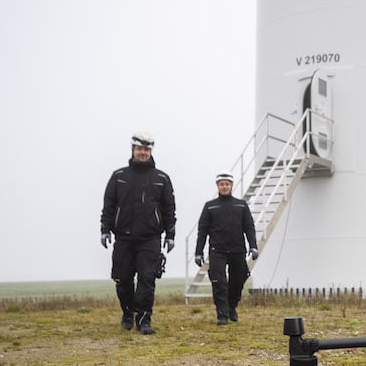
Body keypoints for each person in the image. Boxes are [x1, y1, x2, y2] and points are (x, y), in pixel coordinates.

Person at [100, 132, 176, 334]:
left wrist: (170, 234)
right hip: (123, 237)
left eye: (147, 149)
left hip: (150, 239)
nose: (143, 152)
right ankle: (127, 313)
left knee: (147, 279)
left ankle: (144, 320)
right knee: (122, 280)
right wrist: (105, 229)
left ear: (151, 151)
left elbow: (169, 209)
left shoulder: (161, 178)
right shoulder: (118, 176)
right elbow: (109, 205)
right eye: (139, 149)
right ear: (133, 150)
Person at [194, 172, 258, 324]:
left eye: (227, 184)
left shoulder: (241, 205)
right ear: (218, 186)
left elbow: (249, 227)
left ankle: (231, 307)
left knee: (237, 281)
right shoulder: (210, 206)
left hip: (238, 250)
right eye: (221, 184)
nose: (224, 187)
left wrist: (253, 246)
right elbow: (202, 230)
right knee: (219, 282)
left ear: (231, 186)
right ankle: (222, 314)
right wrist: (198, 252)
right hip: (218, 251)